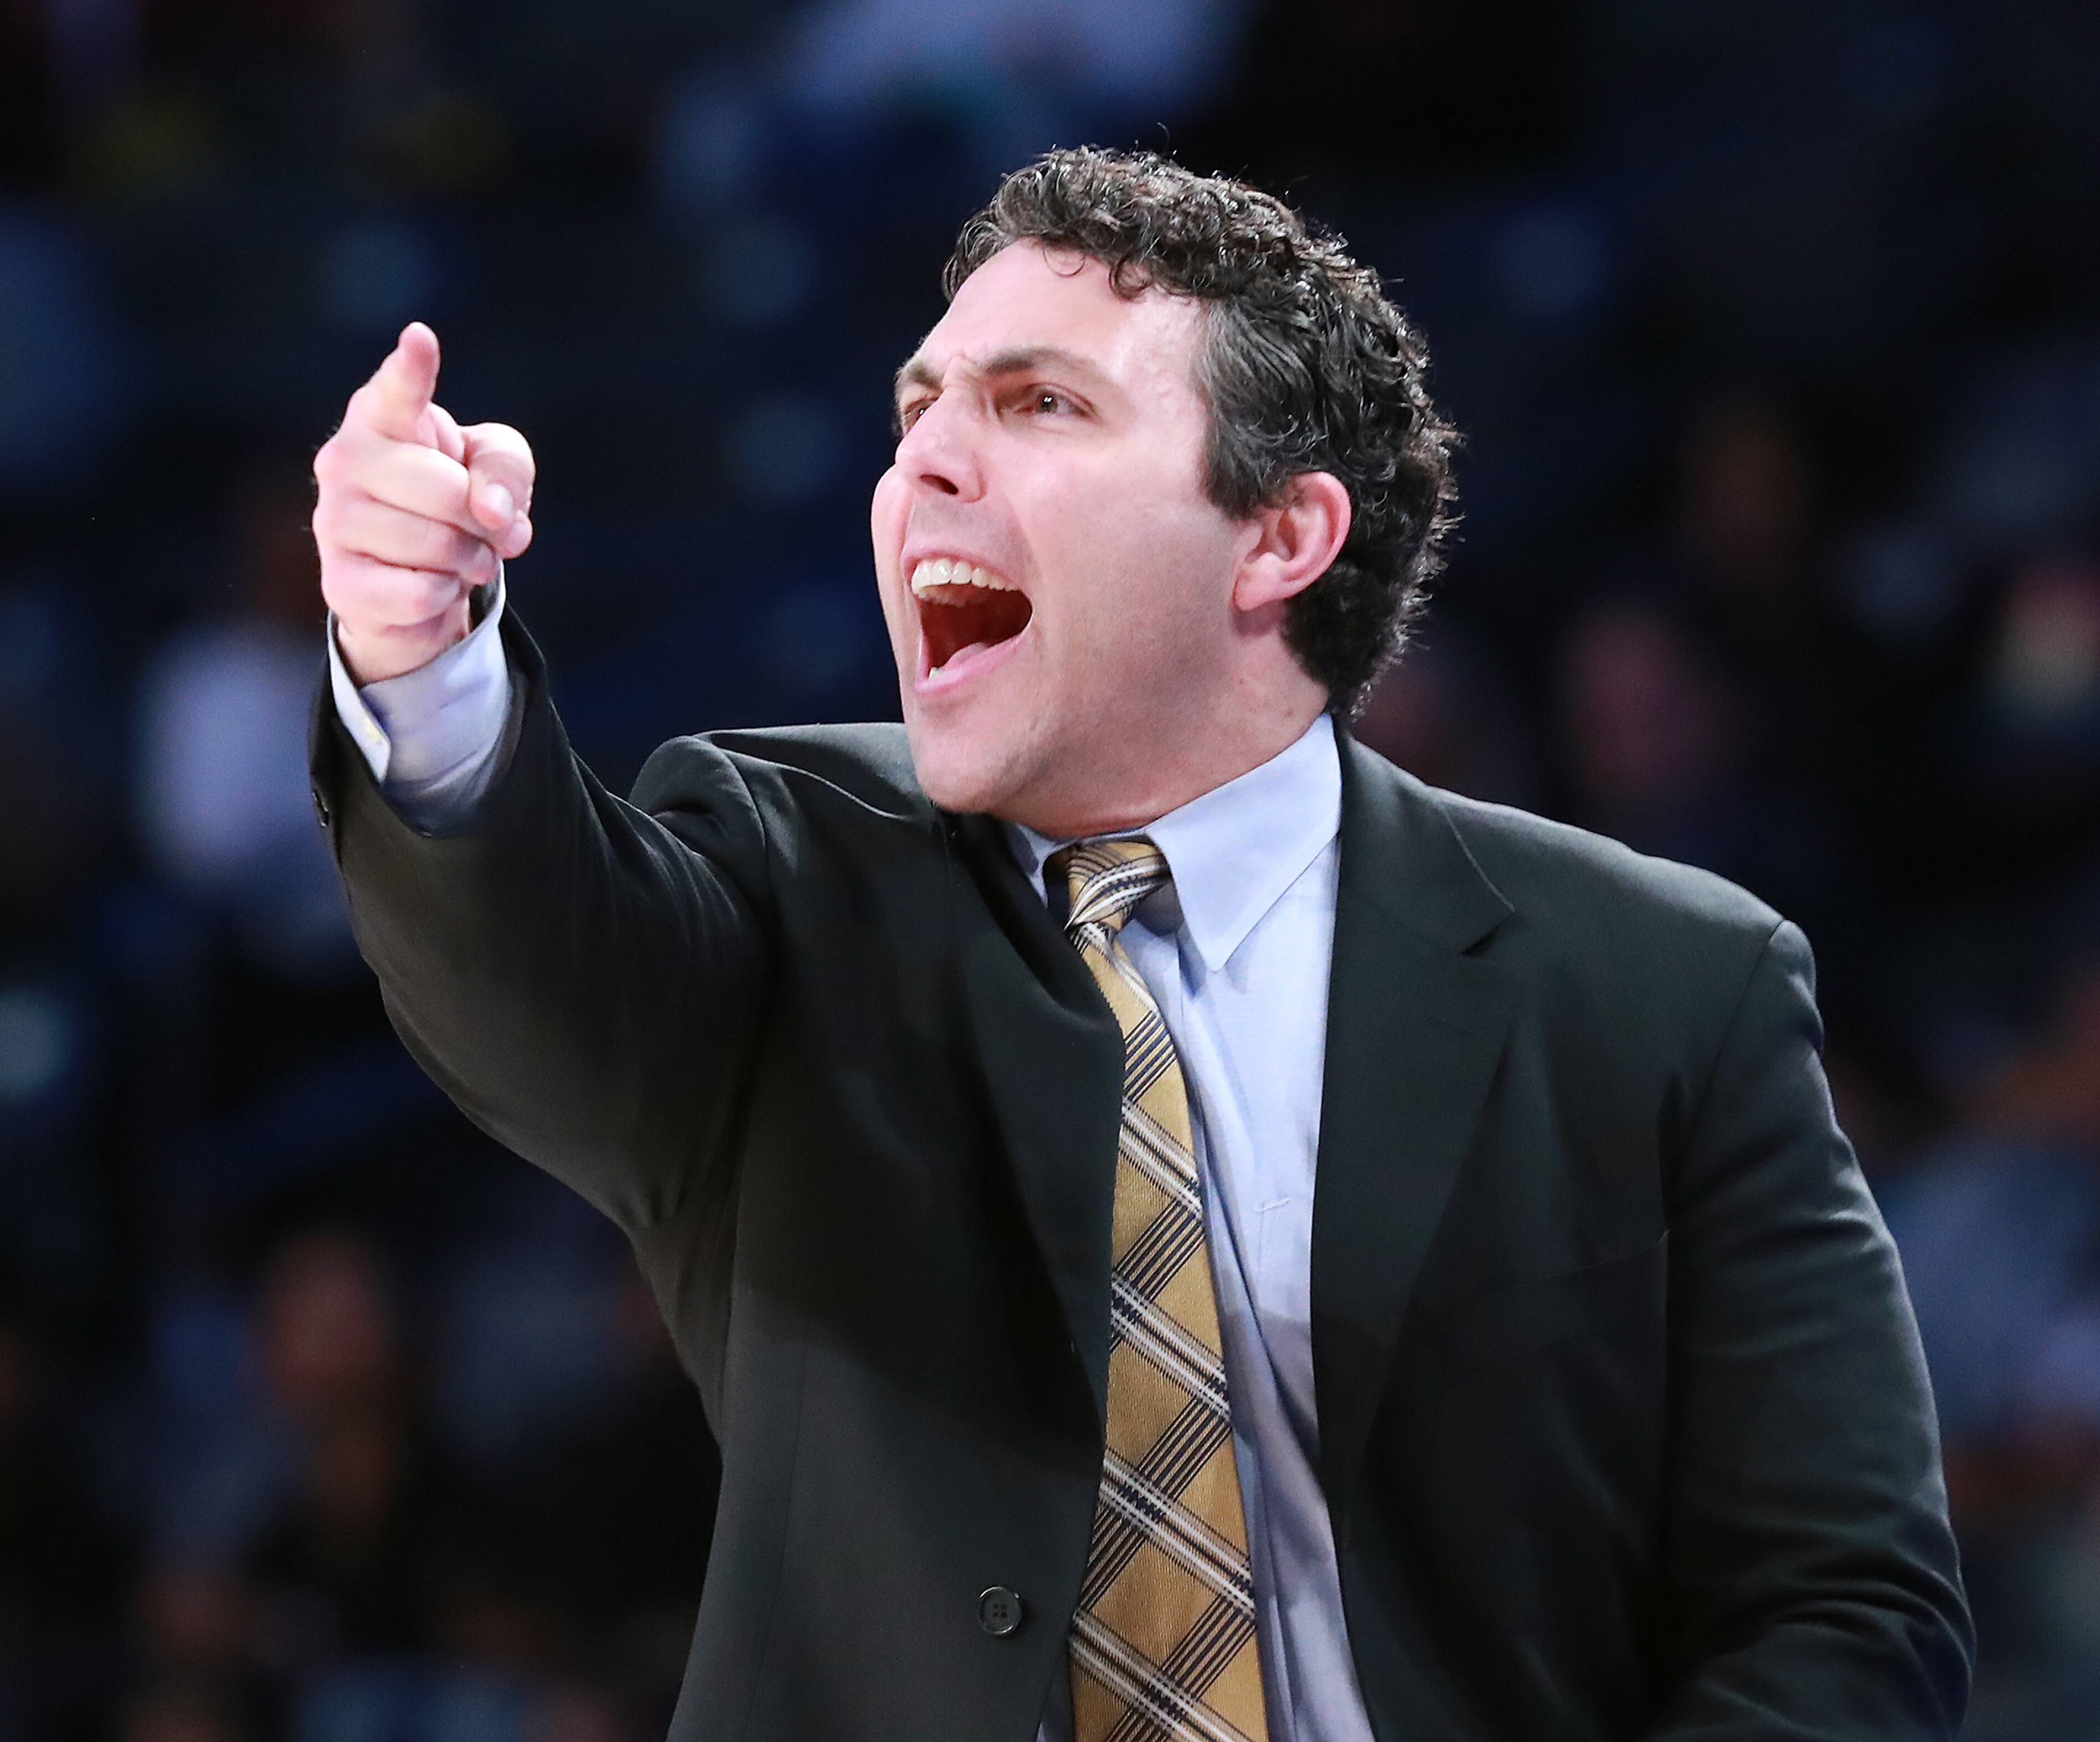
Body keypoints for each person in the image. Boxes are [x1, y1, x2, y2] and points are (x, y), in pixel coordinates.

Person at [306, 149, 1972, 1740]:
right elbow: (543, 982)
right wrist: (422, 664)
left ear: (1281, 538)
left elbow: (1839, 1603)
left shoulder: (1670, 986)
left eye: (1039, 403)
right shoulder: (791, 875)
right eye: (919, 408)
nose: (927, 463)